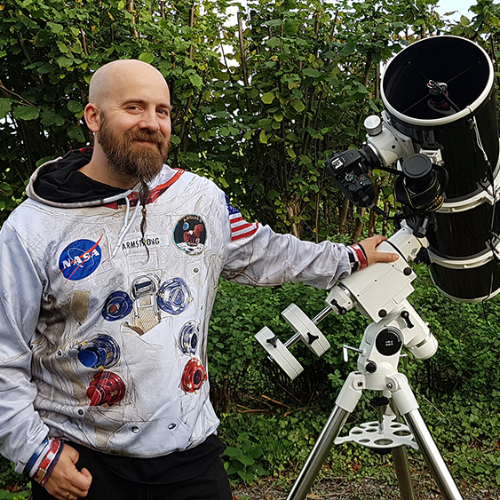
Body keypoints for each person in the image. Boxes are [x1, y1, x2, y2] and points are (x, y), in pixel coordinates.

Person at [0, 60, 398, 500]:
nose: (151, 123)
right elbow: (4, 355)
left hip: (190, 456)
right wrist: (37, 454)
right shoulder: (32, 228)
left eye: (162, 111)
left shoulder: (199, 199)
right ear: (93, 117)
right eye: (134, 107)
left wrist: (349, 256)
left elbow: (265, 253)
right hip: (85, 467)